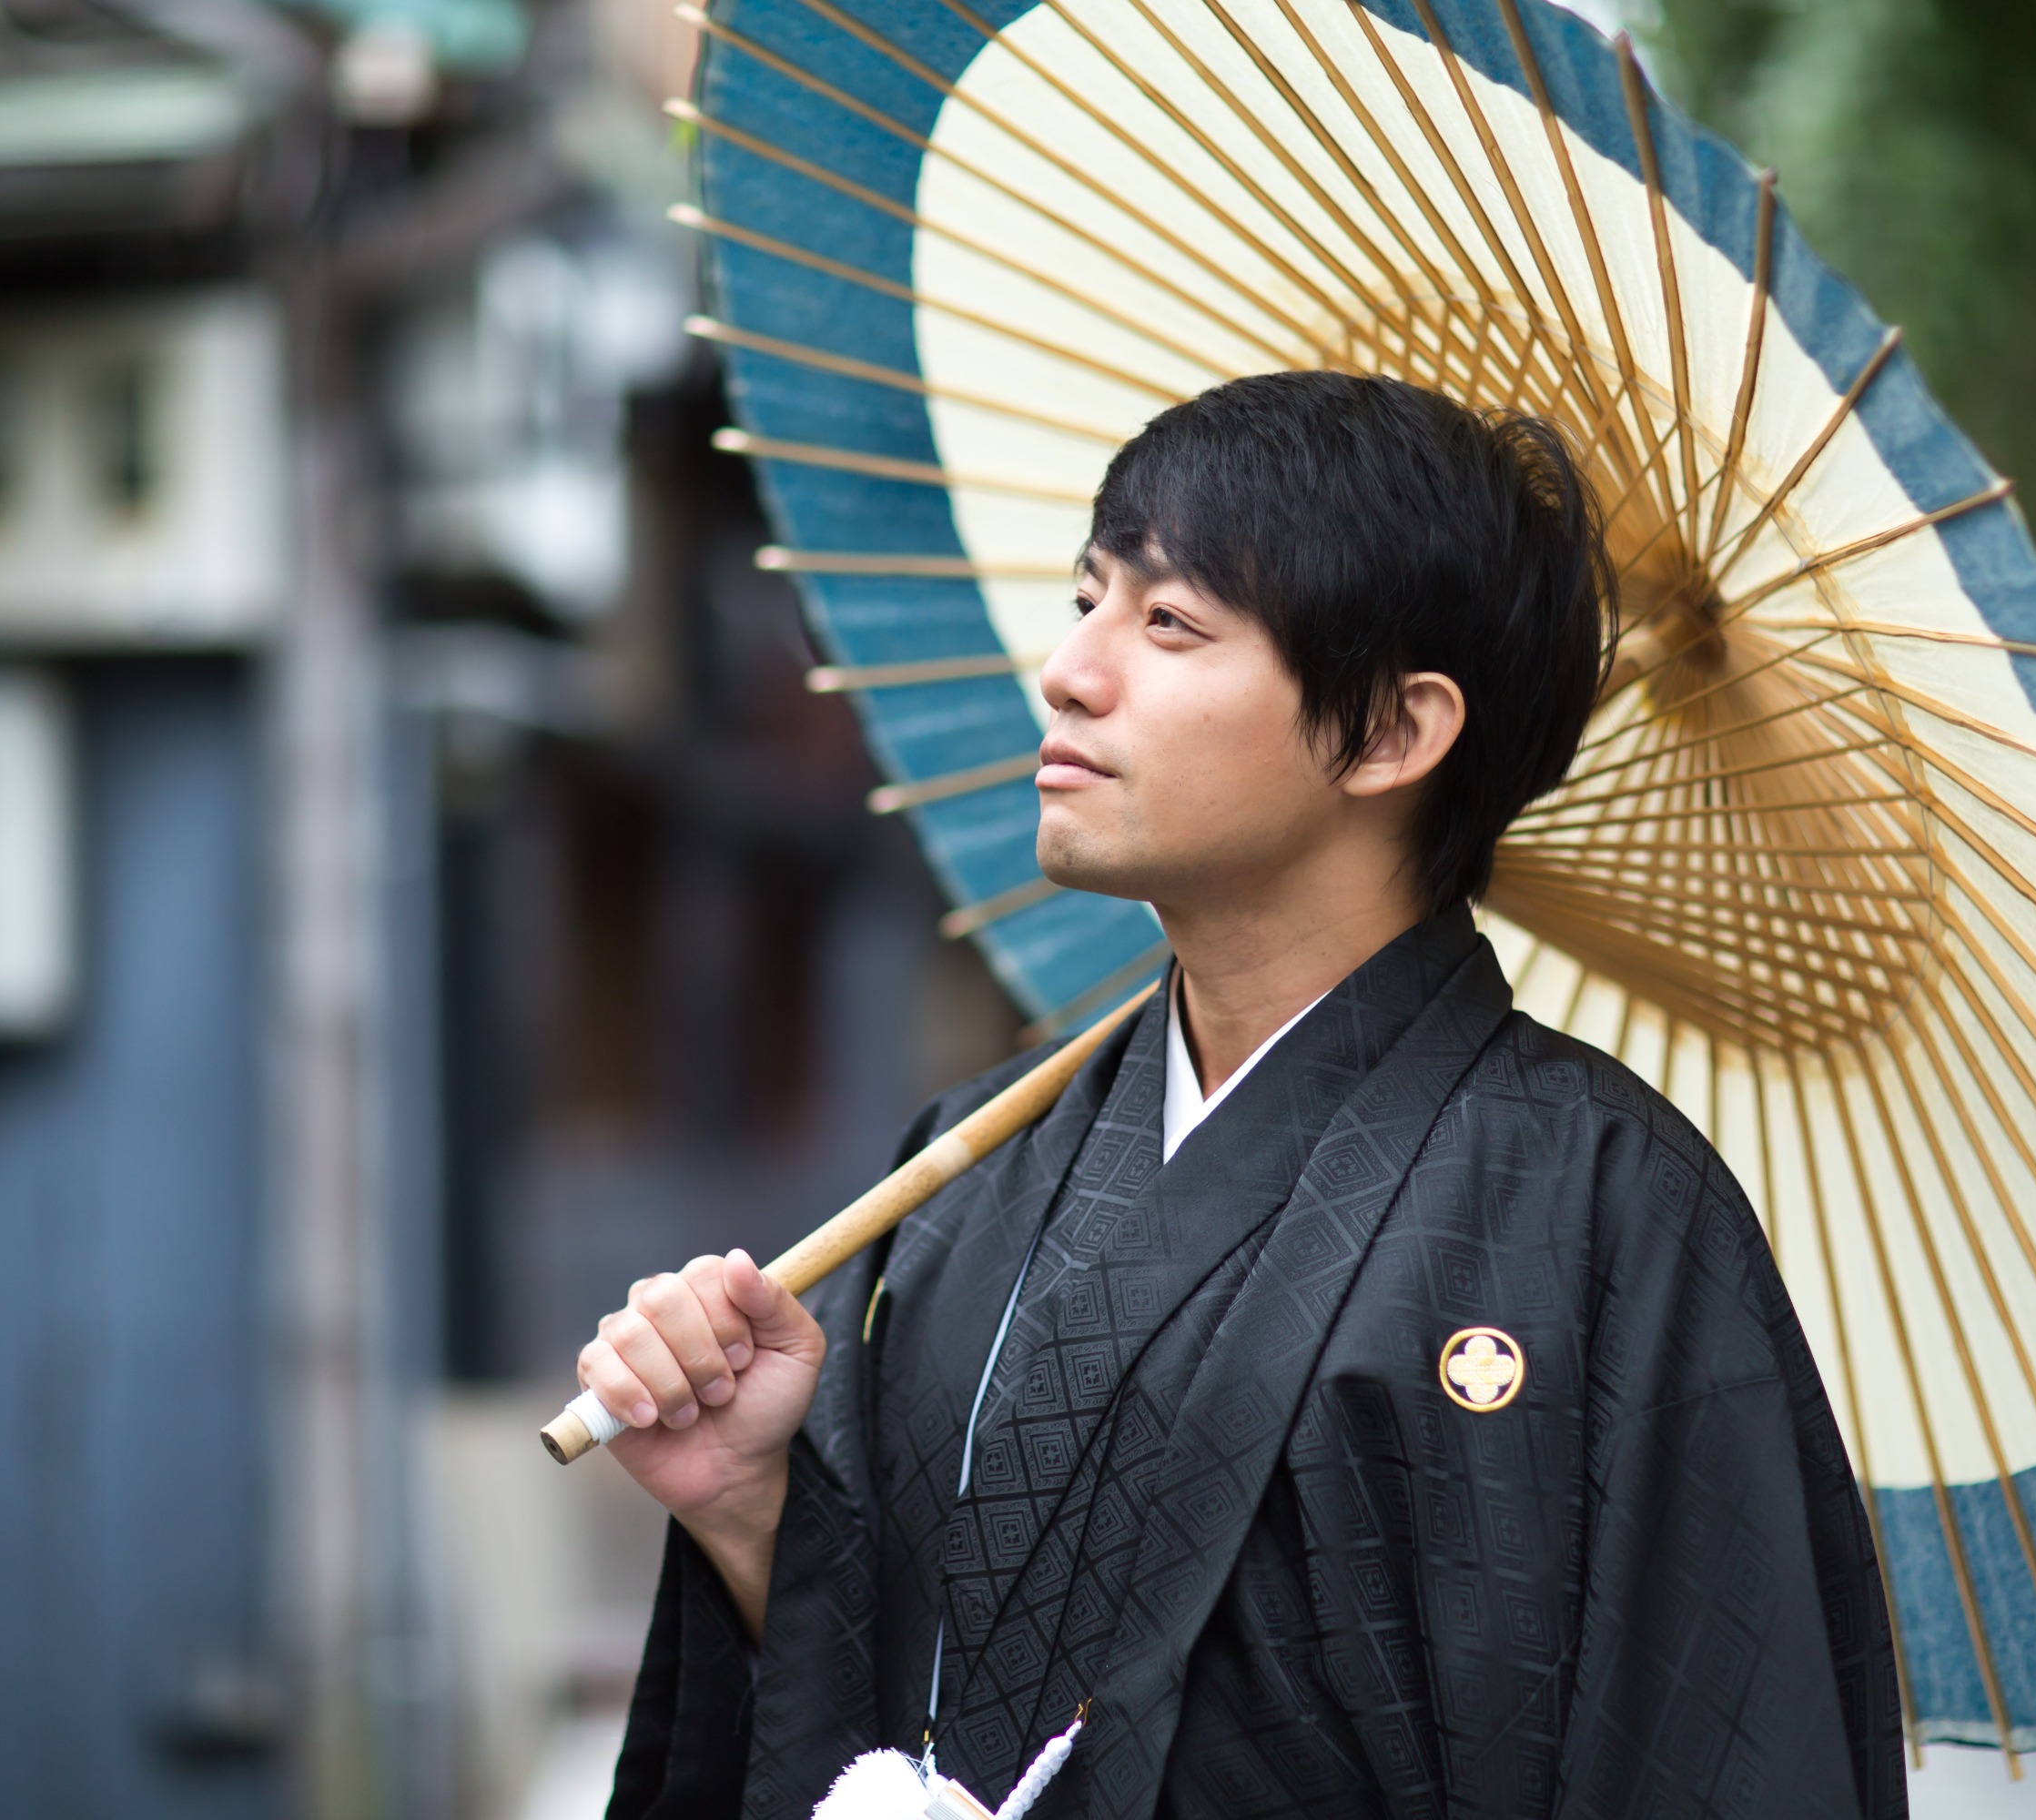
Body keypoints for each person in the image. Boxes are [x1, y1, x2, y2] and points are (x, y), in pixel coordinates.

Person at [584, 372, 1907, 1820]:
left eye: (1169, 623)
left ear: (1392, 734)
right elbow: (883, 1711)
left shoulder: (1604, 1215)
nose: (1073, 671)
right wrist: (751, 1508)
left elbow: (1718, 1752)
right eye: (1089, 598)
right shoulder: (964, 1188)